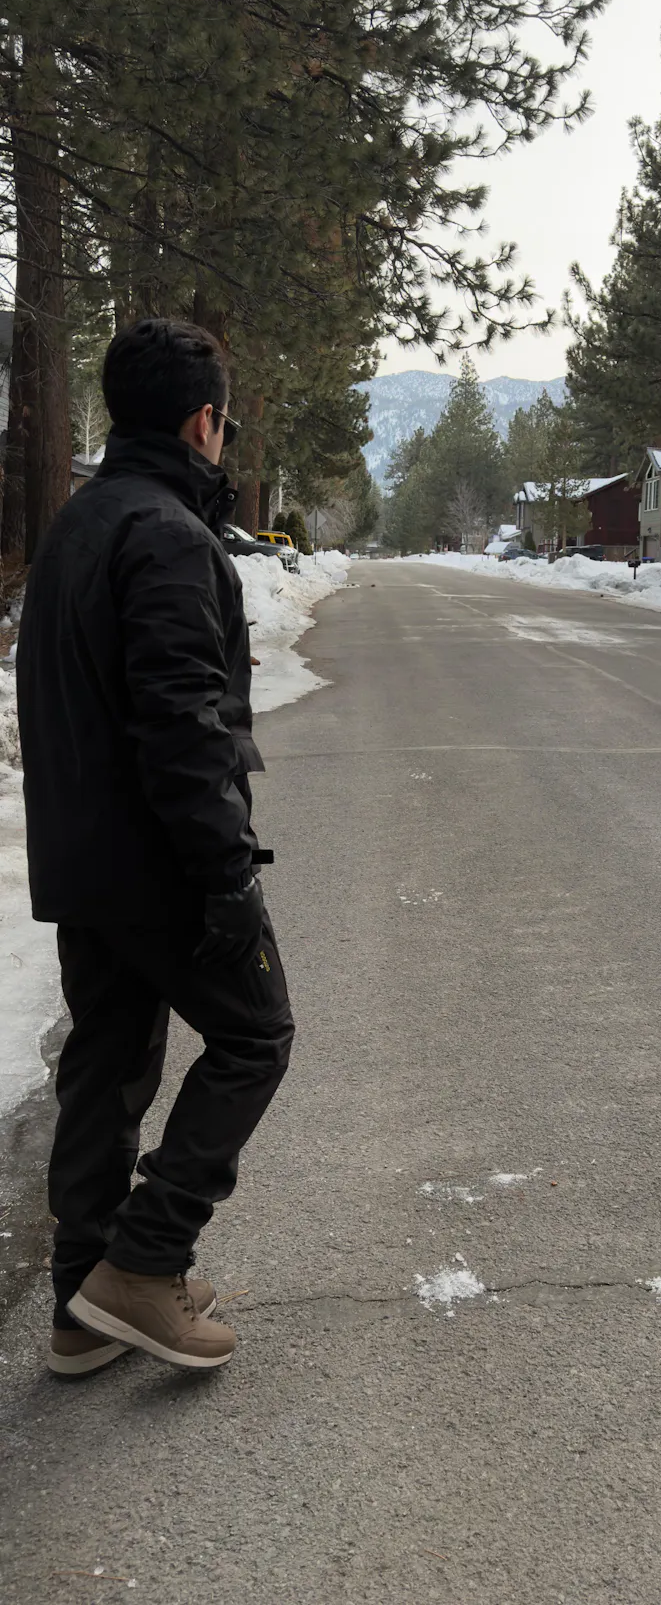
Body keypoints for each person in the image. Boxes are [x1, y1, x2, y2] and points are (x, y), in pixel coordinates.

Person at [17, 318, 294, 1375]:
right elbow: (182, 725)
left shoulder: (81, 520)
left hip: (83, 859)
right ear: (203, 421)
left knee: (110, 1062)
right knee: (256, 1035)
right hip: (159, 862)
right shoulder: (167, 534)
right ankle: (143, 1262)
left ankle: (82, 1306)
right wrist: (225, 874)